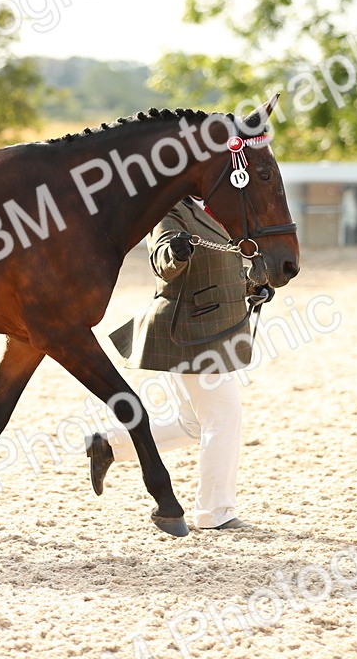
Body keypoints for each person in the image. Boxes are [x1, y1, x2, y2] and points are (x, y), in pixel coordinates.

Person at [89, 196, 265, 530]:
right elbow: (162, 261)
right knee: (224, 416)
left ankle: (110, 445)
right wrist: (176, 253)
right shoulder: (168, 208)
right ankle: (215, 513)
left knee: (193, 424)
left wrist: (251, 285)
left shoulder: (212, 208)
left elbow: (216, 268)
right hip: (189, 330)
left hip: (208, 328)